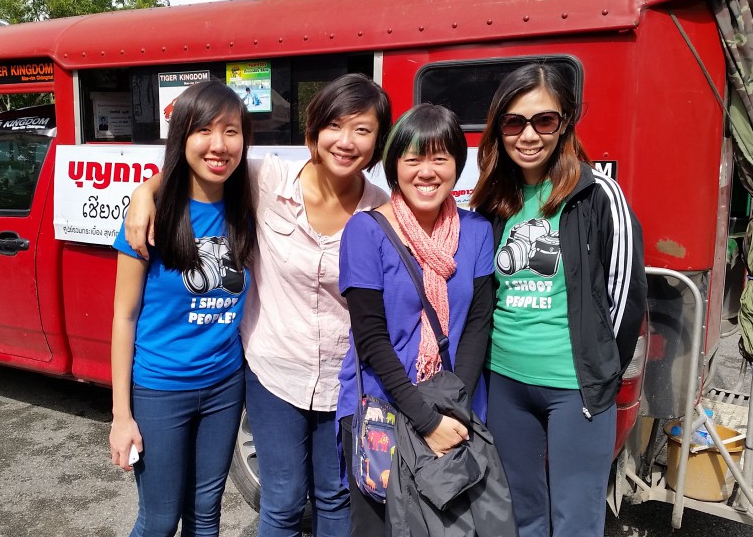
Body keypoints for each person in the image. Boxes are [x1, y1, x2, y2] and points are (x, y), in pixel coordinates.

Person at [126, 73, 392, 537]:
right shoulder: (266, 178)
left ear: (378, 142)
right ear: (313, 130)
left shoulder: (382, 211)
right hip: (274, 372)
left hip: (344, 378)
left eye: (363, 130)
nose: (346, 142)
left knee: (335, 498)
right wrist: (141, 194)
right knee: (282, 500)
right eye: (335, 125)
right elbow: (196, 167)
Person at [469, 63, 646, 537]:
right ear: (498, 128)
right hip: (506, 383)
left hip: (576, 388)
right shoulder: (492, 200)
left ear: (564, 123)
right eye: (514, 122)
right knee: (520, 516)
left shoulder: (597, 194)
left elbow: (626, 300)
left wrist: (601, 369)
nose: (528, 134)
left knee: (576, 523)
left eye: (543, 121)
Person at [337, 103, 496, 534]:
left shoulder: (477, 230)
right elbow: (370, 339)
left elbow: (479, 323)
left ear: (457, 166)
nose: (427, 171)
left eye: (440, 158)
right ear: (394, 168)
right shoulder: (366, 231)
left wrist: (453, 413)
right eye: (414, 158)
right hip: (383, 409)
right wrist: (426, 421)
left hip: (457, 413)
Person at [108, 80, 256, 537]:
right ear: (182, 138)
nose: (218, 145)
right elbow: (124, 317)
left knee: (206, 515)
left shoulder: (248, 202)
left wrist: (145, 187)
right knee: (159, 519)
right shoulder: (151, 217)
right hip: (160, 390)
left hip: (225, 387)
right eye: (204, 131)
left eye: (231, 131)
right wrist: (121, 415)